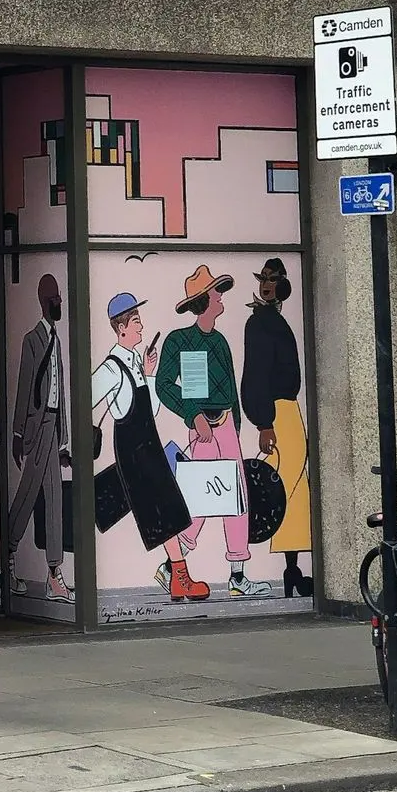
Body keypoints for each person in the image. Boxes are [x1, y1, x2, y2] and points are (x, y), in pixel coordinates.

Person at [156, 266, 271, 599]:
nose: (221, 297)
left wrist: (234, 428)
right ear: (205, 300)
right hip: (203, 429)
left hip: (226, 428)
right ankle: (171, 567)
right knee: (200, 499)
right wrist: (192, 415)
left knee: (237, 500)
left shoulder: (219, 341)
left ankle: (237, 575)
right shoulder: (179, 340)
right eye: (217, 292)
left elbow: (231, 389)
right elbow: (164, 385)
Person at [92, 293, 207, 602]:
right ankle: (179, 576)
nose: (142, 328)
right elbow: (84, 399)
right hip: (133, 449)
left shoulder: (134, 363)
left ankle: (179, 577)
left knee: (167, 505)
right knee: (159, 506)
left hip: (148, 444)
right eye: (136, 322)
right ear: (121, 329)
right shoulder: (112, 368)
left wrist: (150, 373)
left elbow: (152, 409)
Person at [241, 258, 312, 598]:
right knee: (281, 487)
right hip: (277, 412)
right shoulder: (259, 323)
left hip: (289, 409)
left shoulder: (274, 320)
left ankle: (292, 570)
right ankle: (285, 570)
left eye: (273, 278)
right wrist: (263, 421)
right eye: (264, 278)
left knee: (296, 492)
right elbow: (254, 373)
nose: (267, 283)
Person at [6, 272, 70, 602]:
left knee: (53, 497)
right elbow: (23, 387)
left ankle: (53, 573)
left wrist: (64, 441)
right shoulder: (33, 339)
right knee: (30, 492)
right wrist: (18, 432)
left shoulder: (56, 338)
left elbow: (62, 393)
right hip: (37, 425)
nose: (59, 303)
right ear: (45, 302)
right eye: (55, 298)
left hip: (53, 425)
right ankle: (10, 549)